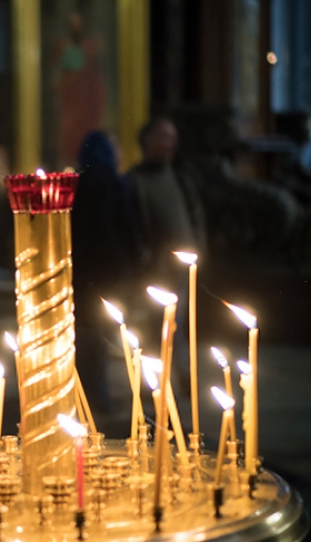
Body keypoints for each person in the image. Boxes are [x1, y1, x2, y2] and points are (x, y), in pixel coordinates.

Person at [125, 115, 206, 397]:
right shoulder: (135, 181)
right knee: (154, 326)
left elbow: (194, 214)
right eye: (163, 136)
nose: (169, 144)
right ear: (147, 141)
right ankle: (155, 383)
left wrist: (198, 247)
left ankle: (181, 376)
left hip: (181, 268)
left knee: (178, 324)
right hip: (154, 269)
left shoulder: (180, 177)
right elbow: (134, 225)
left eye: (172, 137)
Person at [72, 131, 143, 416]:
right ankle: (99, 398)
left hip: (81, 272)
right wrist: (133, 263)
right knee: (101, 335)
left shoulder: (77, 185)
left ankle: (83, 395)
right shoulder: (116, 184)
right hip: (109, 272)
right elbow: (128, 228)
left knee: (85, 334)